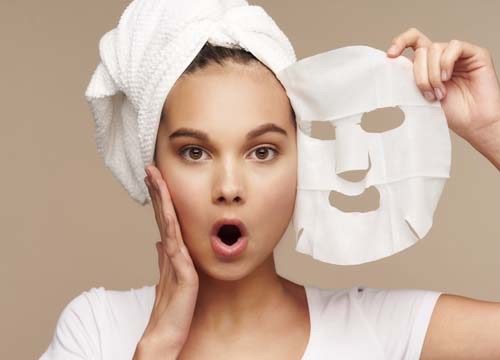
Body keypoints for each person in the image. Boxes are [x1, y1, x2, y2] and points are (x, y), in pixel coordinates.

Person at [39, 27, 500, 360]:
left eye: (261, 152)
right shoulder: (97, 329)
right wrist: (156, 347)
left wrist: (491, 129)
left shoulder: (381, 329)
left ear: (305, 163)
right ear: (153, 167)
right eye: (195, 152)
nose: (229, 188)